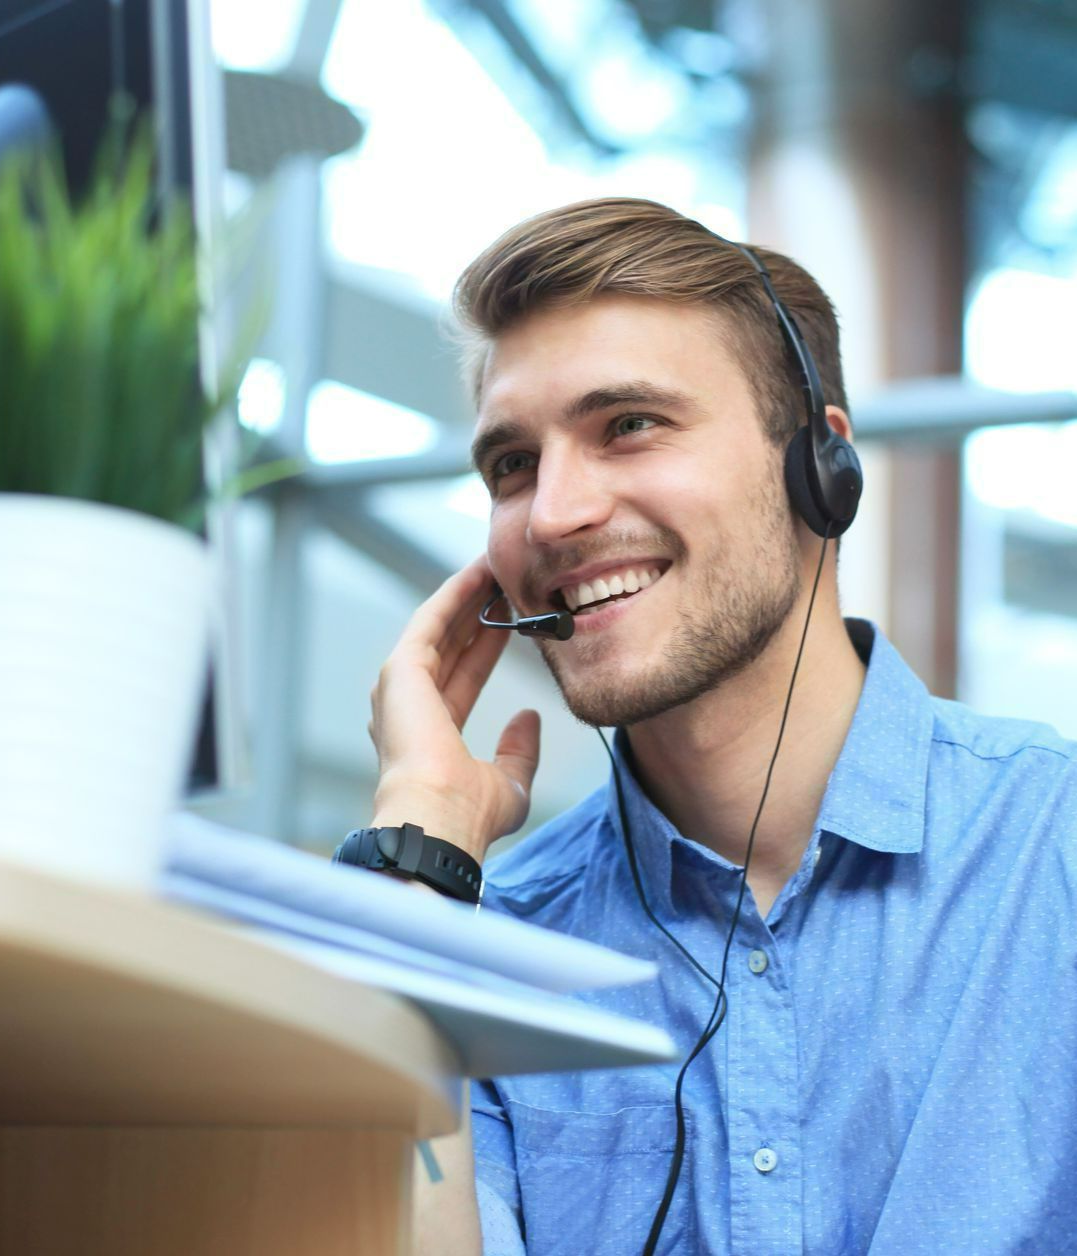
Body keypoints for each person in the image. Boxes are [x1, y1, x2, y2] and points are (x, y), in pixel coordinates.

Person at [358, 198, 1077, 1255]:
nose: (552, 513)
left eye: (628, 424)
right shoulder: (484, 947)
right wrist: (414, 853)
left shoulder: (1050, 846)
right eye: (512, 463)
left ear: (818, 469)